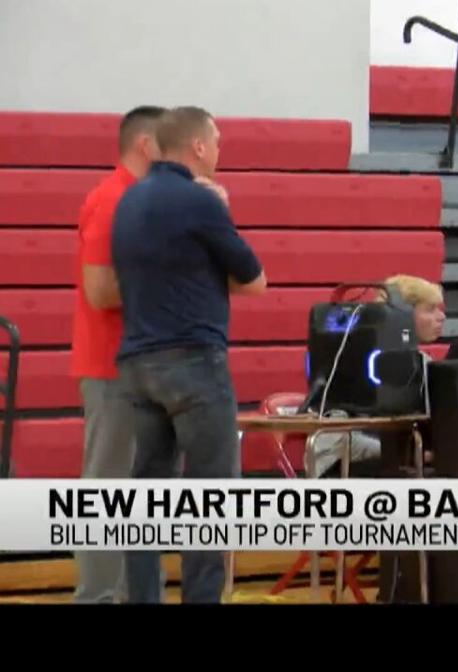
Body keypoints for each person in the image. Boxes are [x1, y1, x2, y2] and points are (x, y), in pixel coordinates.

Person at [112, 106, 267, 604]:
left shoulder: (129, 201)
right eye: (217, 140)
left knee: (145, 499)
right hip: (193, 364)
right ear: (198, 146)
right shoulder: (200, 202)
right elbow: (253, 278)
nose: (220, 149)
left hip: (137, 362)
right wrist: (222, 208)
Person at [69, 105, 165, 604]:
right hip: (112, 366)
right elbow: (101, 289)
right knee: (107, 489)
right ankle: (98, 596)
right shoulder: (111, 201)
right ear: (145, 145)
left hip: (144, 368)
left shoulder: (144, 201)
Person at [312, 274, 444, 478]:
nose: (441, 317)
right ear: (403, 314)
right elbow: (336, 443)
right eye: (430, 309)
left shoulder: (422, 362)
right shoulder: (351, 362)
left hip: (394, 462)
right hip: (341, 469)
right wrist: (402, 454)